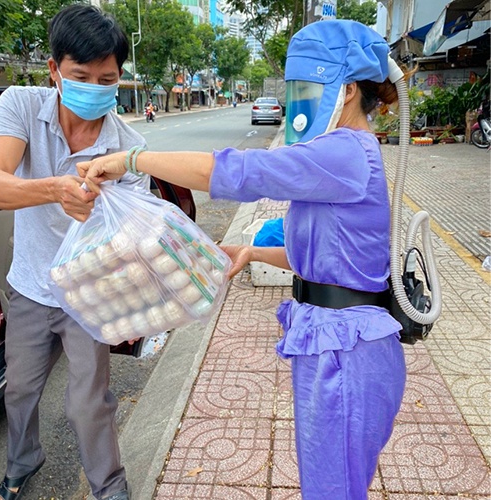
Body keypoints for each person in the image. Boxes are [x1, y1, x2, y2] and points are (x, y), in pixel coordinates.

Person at [78, 20, 407, 500]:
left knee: (332, 487)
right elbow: (326, 258)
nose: (298, 101)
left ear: (348, 89)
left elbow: (240, 171)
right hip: (339, 342)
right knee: (334, 481)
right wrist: (252, 251)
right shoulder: (342, 154)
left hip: (347, 353)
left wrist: (132, 161)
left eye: (305, 88)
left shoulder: (344, 152)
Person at [0, 5, 149, 500]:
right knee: (18, 390)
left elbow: (138, 233)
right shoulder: (20, 104)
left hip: (89, 293)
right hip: (31, 287)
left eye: (107, 78)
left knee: (89, 403)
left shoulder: (128, 147)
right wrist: (57, 190)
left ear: (120, 77)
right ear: (55, 71)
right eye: (81, 75)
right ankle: (22, 461)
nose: (94, 88)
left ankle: (110, 488)